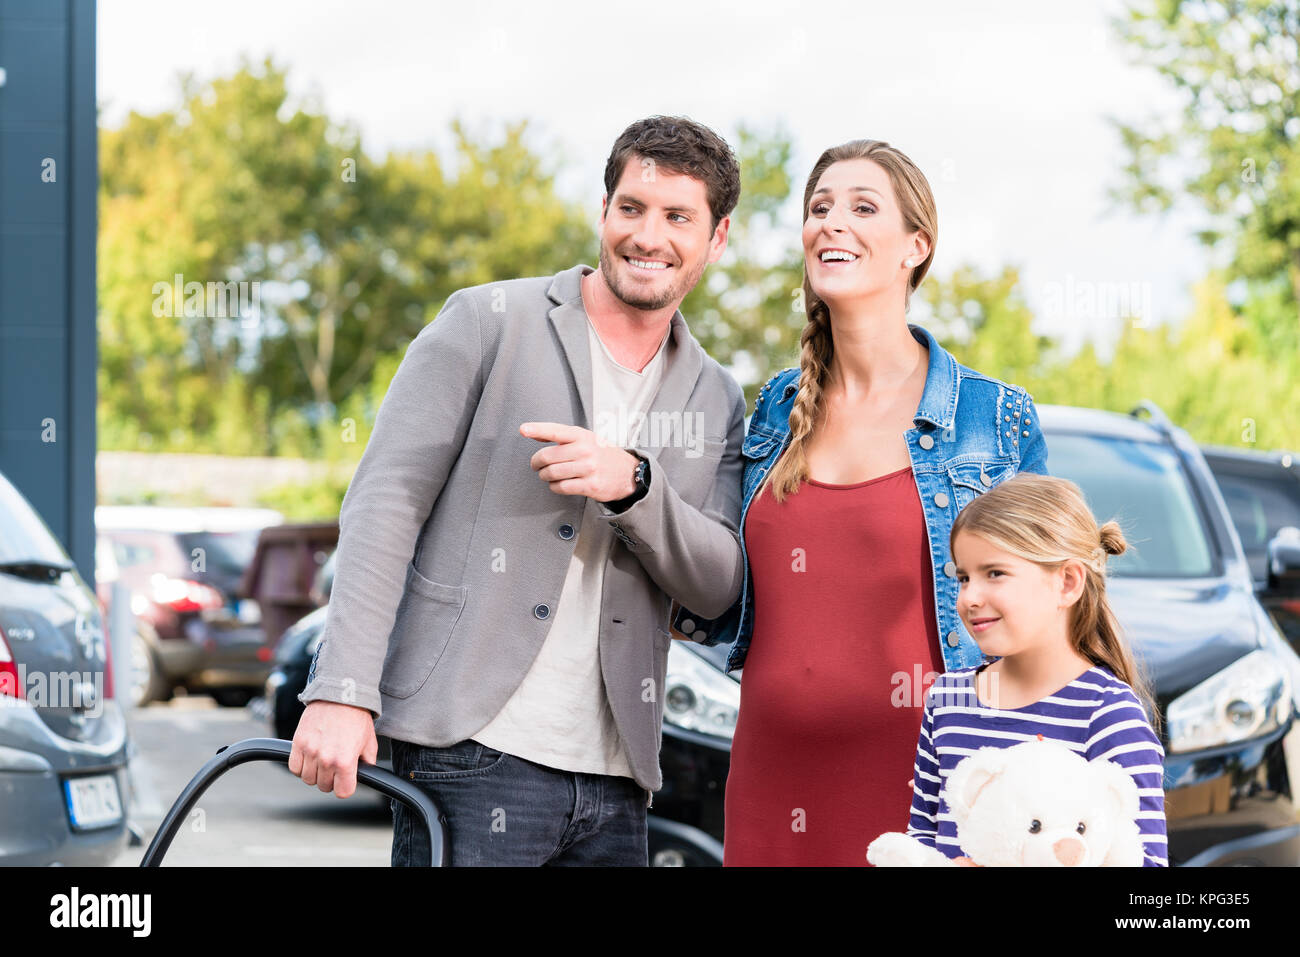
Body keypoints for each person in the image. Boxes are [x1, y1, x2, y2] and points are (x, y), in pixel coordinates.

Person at [290, 115, 747, 866]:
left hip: (617, 776)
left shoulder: (718, 397)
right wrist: (341, 689)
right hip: (469, 750)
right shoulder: (486, 321)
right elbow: (385, 504)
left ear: (717, 237)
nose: (647, 235)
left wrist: (636, 486)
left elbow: (718, 584)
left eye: (677, 217)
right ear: (604, 212)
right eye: (631, 208)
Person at [672, 138, 1050, 866]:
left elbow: (1044, 628)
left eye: (861, 207)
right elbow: (722, 589)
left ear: (917, 245)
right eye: (819, 208)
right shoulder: (776, 410)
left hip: (932, 788)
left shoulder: (991, 418)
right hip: (770, 781)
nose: (830, 223)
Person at [902, 472, 1168, 866]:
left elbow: (1144, 863)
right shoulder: (947, 700)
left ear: (1067, 582)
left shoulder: (1108, 715)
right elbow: (921, 839)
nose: (970, 597)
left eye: (994, 573)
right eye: (963, 577)